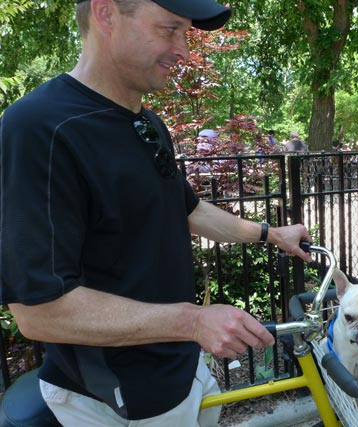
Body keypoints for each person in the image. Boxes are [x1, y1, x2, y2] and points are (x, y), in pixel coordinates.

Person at [0, 1, 312, 426]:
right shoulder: (38, 129)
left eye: (185, 33)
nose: (183, 50)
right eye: (169, 29)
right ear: (106, 13)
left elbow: (187, 209)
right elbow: (39, 312)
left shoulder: (145, 122)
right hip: (116, 397)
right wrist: (195, 321)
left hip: (180, 367)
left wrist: (271, 234)